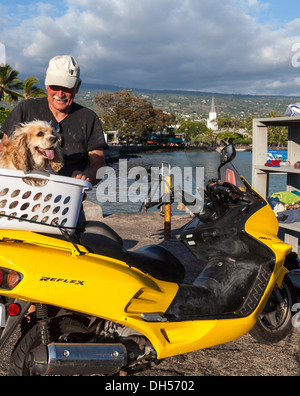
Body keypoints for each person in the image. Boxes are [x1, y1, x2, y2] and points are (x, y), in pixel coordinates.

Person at [0, 55, 107, 185]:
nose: (60, 94)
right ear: (46, 82)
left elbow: (99, 169)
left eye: (67, 87)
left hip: (67, 196)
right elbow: (5, 151)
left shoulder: (89, 118)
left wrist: (86, 176)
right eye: (55, 86)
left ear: (77, 86)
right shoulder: (25, 108)